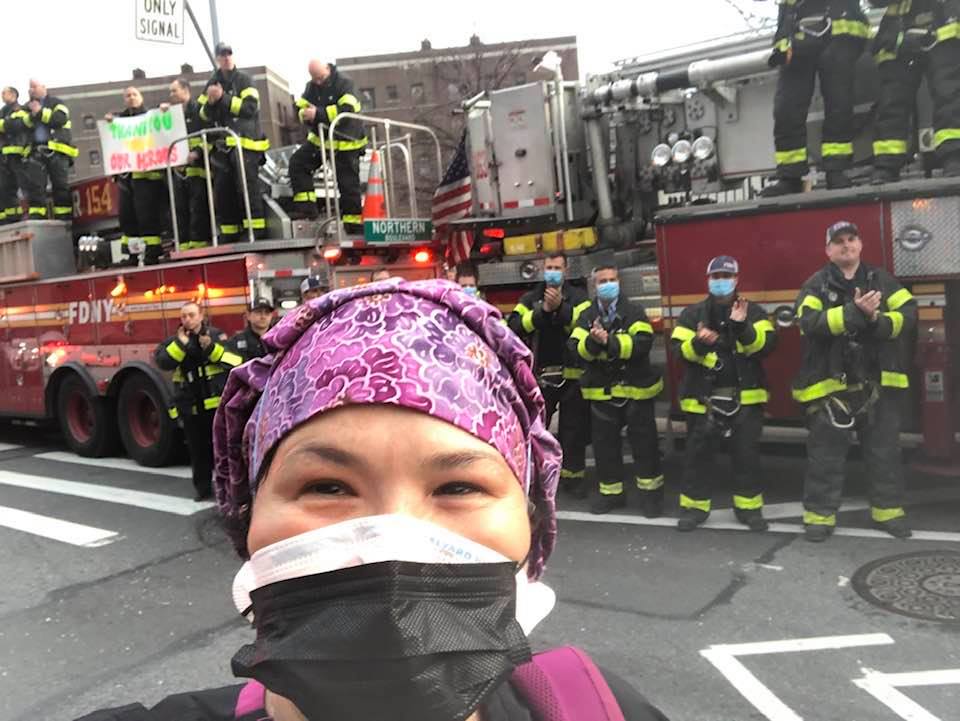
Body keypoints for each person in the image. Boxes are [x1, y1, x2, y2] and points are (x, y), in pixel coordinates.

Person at [77, 279, 670, 721]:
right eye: (326, 487)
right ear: (248, 518)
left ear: (533, 524)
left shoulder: (604, 709)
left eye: (457, 487)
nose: (392, 539)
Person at [793, 221, 917, 541]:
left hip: (877, 386)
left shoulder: (883, 280)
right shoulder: (815, 286)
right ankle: (819, 518)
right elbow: (810, 324)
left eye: (852, 239)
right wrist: (854, 313)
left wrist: (876, 320)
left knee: (884, 453)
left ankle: (888, 513)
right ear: (828, 250)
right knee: (825, 457)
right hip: (832, 389)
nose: (846, 245)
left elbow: (909, 317)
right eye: (839, 241)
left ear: (860, 245)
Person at [669, 256, 778, 532]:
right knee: (698, 458)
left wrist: (742, 327)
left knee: (747, 457)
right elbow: (679, 352)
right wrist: (698, 342)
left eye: (725, 276)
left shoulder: (752, 312)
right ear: (708, 280)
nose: (720, 281)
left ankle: (750, 510)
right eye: (715, 277)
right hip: (704, 400)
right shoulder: (692, 314)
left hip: (745, 399)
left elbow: (766, 345)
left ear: (736, 279)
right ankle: (694, 509)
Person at [569, 265, 664, 516]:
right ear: (594, 286)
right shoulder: (587, 315)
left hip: (636, 392)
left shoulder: (634, 311)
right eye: (603, 281)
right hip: (603, 394)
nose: (608, 284)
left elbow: (642, 343)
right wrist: (592, 341)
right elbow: (576, 348)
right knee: (605, 448)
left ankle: (651, 497)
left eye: (612, 280)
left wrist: (608, 342)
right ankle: (612, 495)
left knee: (645, 446)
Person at [759, 0, 869, 197]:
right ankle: (790, 176)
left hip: (840, 32)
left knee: (839, 103)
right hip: (798, 35)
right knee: (787, 108)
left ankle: (836, 170)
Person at [508, 253, 593, 498]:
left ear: (566, 271)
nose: (553, 271)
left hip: (572, 375)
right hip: (541, 376)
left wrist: (561, 310)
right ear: (542, 270)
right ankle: (533, 479)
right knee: (536, 430)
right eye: (549, 267)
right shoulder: (531, 297)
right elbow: (513, 326)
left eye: (557, 267)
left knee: (573, 431)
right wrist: (543, 312)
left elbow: (584, 324)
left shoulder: (578, 298)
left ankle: (573, 480)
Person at [154, 302, 243, 501]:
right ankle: (202, 489)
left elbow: (236, 361)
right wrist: (181, 344)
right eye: (184, 316)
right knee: (197, 451)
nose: (188, 319)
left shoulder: (216, 336)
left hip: (215, 406)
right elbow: (162, 362)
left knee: (222, 450)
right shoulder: (174, 341)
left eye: (192, 315)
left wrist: (211, 348)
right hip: (190, 407)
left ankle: (228, 488)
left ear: (201, 316)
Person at [869, 0, 960, 182]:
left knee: (948, 94)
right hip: (900, 34)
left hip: (944, 26)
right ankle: (887, 164)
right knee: (892, 101)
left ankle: (954, 157)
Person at [199, 43, 269, 242]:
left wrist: (223, 98)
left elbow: (250, 108)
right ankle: (230, 232)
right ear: (217, 59)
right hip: (223, 147)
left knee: (247, 187)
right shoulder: (212, 83)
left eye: (229, 53)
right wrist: (212, 102)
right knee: (224, 189)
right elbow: (203, 115)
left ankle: (256, 229)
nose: (226, 57)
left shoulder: (245, 80)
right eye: (222, 55)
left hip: (246, 144)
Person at [289, 60, 367, 232]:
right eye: (314, 78)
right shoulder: (312, 86)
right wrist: (303, 113)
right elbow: (300, 107)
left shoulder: (345, 83)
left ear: (328, 68)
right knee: (298, 163)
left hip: (346, 142)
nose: (317, 82)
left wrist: (318, 113)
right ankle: (307, 209)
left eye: (320, 77)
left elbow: (347, 110)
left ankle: (353, 224)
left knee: (347, 184)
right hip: (322, 141)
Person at [106, 87, 167, 265]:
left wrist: (164, 112)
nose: (131, 98)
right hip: (126, 177)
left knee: (147, 216)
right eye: (127, 95)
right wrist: (110, 122)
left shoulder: (151, 117)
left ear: (141, 97)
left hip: (148, 178)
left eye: (134, 95)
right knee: (127, 217)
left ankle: (152, 252)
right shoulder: (120, 121)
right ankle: (132, 255)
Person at [161, 77, 212, 249]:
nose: (171, 94)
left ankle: (198, 242)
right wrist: (163, 114)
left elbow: (209, 137)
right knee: (180, 207)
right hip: (179, 170)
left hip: (197, 169)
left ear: (186, 90)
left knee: (197, 206)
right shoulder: (172, 114)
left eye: (174, 90)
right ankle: (183, 243)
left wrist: (197, 152)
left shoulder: (199, 111)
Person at [22, 78, 78, 220]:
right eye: (30, 88)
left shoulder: (57, 103)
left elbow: (60, 119)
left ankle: (64, 218)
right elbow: (21, 125)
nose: (31, 90)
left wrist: (40, 112)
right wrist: (31, 113)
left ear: (44, 87)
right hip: (36, 153)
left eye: (34, 86)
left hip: (57, 152)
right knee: (35, 188)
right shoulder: (26, 107)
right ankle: (37, 219)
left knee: (60, 186)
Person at [0, 86, 29, 224]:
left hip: (19, 155)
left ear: (13, 94)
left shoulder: (21, 109)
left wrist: (4, 125)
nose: (1, 96)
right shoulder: (3, 111)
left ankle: (24, 216)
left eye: (4, 93)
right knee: (6, 189)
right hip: (5, 157)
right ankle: (11, 219)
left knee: (24, 187)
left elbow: (15, 125)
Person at [229, 297, 275, 362]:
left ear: (271, 316)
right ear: (248, 316)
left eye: (267, 313)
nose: (263, 316)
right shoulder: (236, 341)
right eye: (258, 312)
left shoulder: (278, 339)